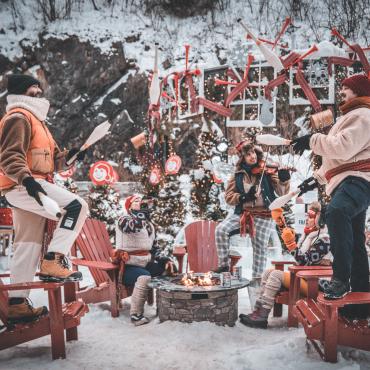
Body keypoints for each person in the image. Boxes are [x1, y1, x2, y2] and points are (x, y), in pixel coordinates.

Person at [0, 74, 89, 322]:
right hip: (26, 184)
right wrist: (28, 182)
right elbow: (9, 157)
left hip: (28, 184)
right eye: (32, 91)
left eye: (39, 91)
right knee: (76, 207)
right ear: (19, 94)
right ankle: (54, 259)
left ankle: (17, 304)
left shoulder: (38, 121)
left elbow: (53, 160)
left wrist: (70, 157)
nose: (38, 94)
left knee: (27, 245)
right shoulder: (18, 117)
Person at [291, 74, 370, 317]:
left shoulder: (364, 115)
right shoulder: (350, 117)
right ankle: (361, 302)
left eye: (347, 88)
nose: (342, 91)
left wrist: (311, 140)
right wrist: (313, 180)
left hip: (357, 180)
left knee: (337, 212)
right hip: (346, 180)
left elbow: (343, 146)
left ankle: (340, 279)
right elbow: (337, 160)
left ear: (358, 90)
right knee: (355, 238)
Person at [240, 202, 331, 328]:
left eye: (311, 216)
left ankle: (261, 316)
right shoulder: (309, 235)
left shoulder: (324, 239)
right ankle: (259, 311)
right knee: (268, 272)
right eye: (307, 215)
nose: (306, 219)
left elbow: (305, 262)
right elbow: (301, 258)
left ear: (321, 220)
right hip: (305, 278)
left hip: (317, 283)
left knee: (276, 275)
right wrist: (285, 231)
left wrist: (291, 245)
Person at [215, 140, 290, 281]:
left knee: (260, 250)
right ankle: (224, 266)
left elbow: (281, 192)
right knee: (221, 230)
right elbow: (229, 197)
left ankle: (257, 281)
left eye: (253, 152)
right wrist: (244, 197)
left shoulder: (267, 170)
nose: (252, 156)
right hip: (244, 214)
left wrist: (284, 180)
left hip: (264, 214)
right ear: (242, 158)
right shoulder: (238, 175)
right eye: (248, 154)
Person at [114, 194, 174, 326]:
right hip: (127, 267)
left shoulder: (149, 225)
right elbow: (132, 227)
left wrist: (163, 259)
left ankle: (165, 307)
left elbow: (153, 248)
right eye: (136, 201)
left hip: (144, 263)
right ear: (129, 206)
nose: (141, 203)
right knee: (144, 276)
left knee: (166, 269)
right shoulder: (123, 220)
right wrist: (140, 214)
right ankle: (136, 315)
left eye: (142, 201)